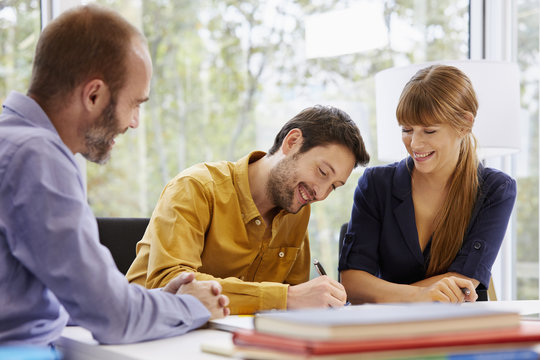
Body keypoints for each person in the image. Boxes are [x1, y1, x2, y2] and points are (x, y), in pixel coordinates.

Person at [0, 4, 229, 346]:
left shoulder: (13, 142)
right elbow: (115, 318)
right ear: (94, 95)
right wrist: (190, 306)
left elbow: (76, 298)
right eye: (135, 104)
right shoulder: (37, 158)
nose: (134, 122)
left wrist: (162, 303)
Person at [126, 105, 370, 314]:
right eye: (322, 172)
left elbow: (298, 298)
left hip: (233, 343)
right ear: (292, 142)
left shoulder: (298, 212)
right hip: (149, 340)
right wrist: (285, 297)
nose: (321, 193)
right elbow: (171, 284)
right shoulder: (195, 187)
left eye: (334, 187)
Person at [339, 65, 517, 304]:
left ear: (464, 124)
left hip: (457, 331)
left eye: (429, 131)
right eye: (407, 129)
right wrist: (419, 295)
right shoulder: (376, 184)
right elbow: (353, 283)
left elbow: (463, 281)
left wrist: (383, 293)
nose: (415, 143)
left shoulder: (495, 189)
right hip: (388, 330)